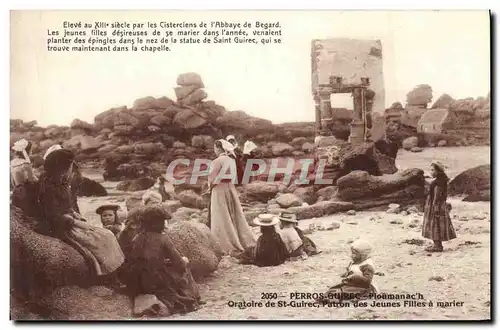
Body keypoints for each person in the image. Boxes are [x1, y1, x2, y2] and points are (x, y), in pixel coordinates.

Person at [37, 148, 125, 279]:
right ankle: (104, 275)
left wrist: (74, 213)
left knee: (107, 234)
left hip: (70, 220)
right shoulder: (49, 188)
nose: (71, 171)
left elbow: (66, 206)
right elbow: (54, 216)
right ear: (62, 169)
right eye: (70, 167)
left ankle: (114, 272)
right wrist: (77, 222)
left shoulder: (61, 184)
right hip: (62, 226)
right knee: (102, 238)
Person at [123, 207, 202, 317]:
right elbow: (179, 263)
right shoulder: (163, 238)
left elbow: (138, 259)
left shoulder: (137, 238)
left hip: (138, 281)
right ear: (159, 223)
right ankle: (195, 297)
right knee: (185, 266)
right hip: (156, 282)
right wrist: (184, 261)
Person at [209, 139, 256, 255]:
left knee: (221, 215)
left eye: (214, 148)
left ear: (219, 148)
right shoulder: (231, 160)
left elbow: (212, 179)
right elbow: (235, 178)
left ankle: (224, 243)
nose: (214, 150)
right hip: (230, 188)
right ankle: (239, 238)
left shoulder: (216, 161)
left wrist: (210, 187)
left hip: (219, 190)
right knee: (233, 213)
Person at [317, 239, 379, 304]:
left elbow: (367, 281)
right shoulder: (354, 262)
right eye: (352, 253)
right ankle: (327, 297)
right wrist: (346, 274)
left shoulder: (367, 266)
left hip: (364, 287)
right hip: (353, 284)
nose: (351, 255)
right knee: (336, 288)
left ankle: (335, 299)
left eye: (354, 253)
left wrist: (356, 277)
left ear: (363, 255)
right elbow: (350, 270)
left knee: (346, 291)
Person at [422, 161, 457, 252]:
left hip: (435, 204)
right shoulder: (442, 180)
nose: (431, 172)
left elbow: (437, 196)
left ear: (438, 171)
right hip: (439, 204)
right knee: (437, 224)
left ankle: (437, 246)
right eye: (430, 170)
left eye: (433, 170)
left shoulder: (438, 182)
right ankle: (437, 244)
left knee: (435, 224)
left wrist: (434, 206)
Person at [10, 139, 39, 217]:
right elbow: (32, 179)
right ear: (27, 151)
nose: (31, 152)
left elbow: (12, 180)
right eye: (31, 150)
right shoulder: (25, 164)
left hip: (16, 191)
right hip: (25, 192)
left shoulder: (12, 163)